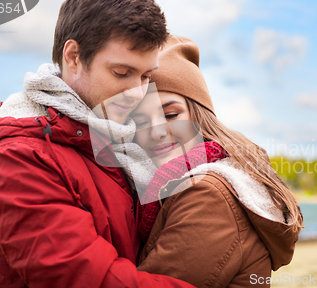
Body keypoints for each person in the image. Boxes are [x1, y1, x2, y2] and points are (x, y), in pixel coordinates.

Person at [0, 0, 195, 287]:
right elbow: (88, 278)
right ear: (73, 56)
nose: (137, 94)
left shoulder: (112, 135)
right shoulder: (14, 157)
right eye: (121, 73)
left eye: (146, 76)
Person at [129, 35, 304, 287]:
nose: (155, 131)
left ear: (198, 115)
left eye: (170, 114)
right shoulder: (186, 182)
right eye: (142, 122)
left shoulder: (207, 193)